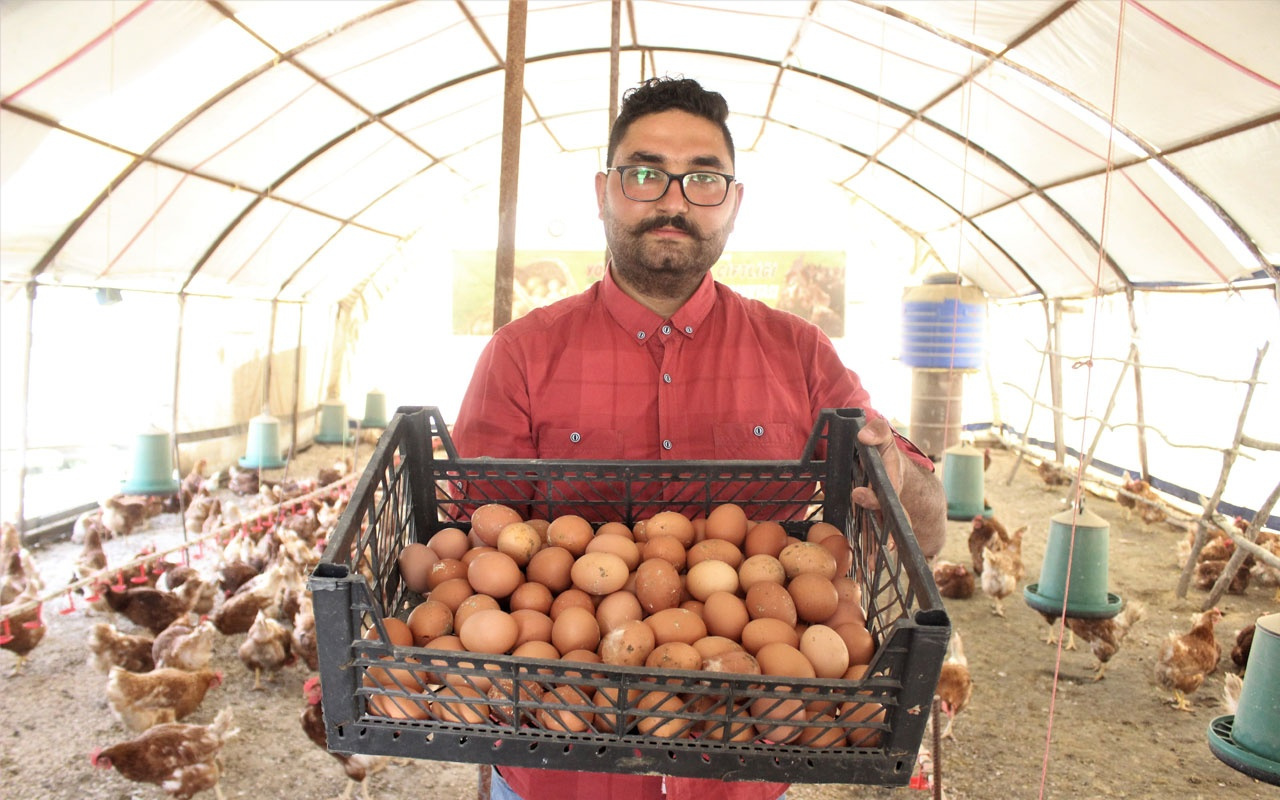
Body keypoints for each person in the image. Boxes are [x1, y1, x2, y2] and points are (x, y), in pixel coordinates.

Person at [452, 76, 946, 800]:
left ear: (734, 203)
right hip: (556, 773)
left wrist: (905, 486)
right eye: (645, 173)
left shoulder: (800, 353)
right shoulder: (521, 355)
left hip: (742, 773)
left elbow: (924, 535)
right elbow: (473, 551)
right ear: (604, 192)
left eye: (703, 178)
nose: (673, 200)